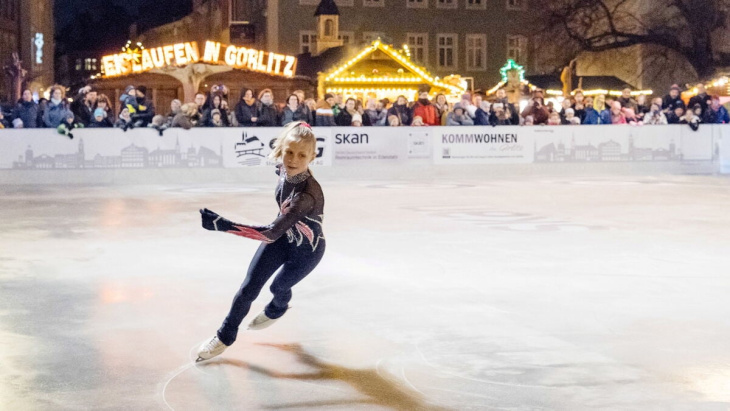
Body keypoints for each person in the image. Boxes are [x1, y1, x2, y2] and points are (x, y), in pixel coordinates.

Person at [196, 121, 326, 362]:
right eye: (289, 152)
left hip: (307, 252)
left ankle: (278, 307)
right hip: (282, 238)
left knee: (278, 287)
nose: (293, 160)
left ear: (311, 157)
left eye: (301, 155)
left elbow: (269, 234)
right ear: (281, 149)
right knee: (248, 289)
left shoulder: (306, 196)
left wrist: (222, 225)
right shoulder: (284, 170)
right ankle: (224, 336)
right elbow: (276, 232)